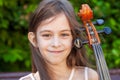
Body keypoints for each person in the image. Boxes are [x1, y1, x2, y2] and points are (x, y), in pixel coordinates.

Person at [19, 0, 98, 80]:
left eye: (64, 34)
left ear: (73, 38)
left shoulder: (89, 77)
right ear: (34, 40)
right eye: (47, 35)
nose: (56, 44)